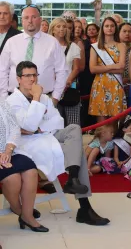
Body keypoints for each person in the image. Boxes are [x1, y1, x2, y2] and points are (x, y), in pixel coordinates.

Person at [7, 61, 110, 226]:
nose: (32, 79)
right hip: (29, 144)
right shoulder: (12, 102)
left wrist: (39, 126)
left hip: (50, 135)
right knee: (77, 153)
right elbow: (29, 127)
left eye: (35, 75)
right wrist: (35, 101)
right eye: (28, 76)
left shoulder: (43, 97)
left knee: (74, 128)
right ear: (18, 79)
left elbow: (58, 121)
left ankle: (74, 179)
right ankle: (83, 205)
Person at [0, 4, 68, 105]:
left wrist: (55, 98)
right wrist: (4, 98)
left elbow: (62, 71)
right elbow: (2, 71)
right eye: (26, 17)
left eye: (34, 17)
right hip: (14, 100)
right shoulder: (11, 42)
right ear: (22, 20)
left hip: (44, 99)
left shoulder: (52, 42)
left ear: (40, 20)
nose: (30, 21)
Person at [0, 100, 48, 233]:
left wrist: (8, 150)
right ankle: (18, 210)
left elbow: (15, 128)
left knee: (31, 171)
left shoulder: (3, 103)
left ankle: (28, 216)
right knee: (13, 178)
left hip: (10, 151)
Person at [89, 17, 126, 123]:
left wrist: (101, 69)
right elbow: (92, 69)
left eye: (112, 26)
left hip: (116, 84)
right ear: (102, 28)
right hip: (100, 84)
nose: (109, 28)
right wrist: (114, 66)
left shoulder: (121, 45)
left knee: (115, 118)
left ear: (115, 28)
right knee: (101, 119)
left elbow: (121, 67)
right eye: (107, 26)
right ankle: (102, 140)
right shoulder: (96, 47)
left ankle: (113, 139)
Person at [49, 18, 82, 126]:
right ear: (53, 29)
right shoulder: (47, 46)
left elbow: (76, 68)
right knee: (54, 123)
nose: (62, 29)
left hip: (69, 88)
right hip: (51, 91)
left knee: (73, 124)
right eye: (58, 26)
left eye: (64, 26)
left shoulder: (73, 47)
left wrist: (66, 82)